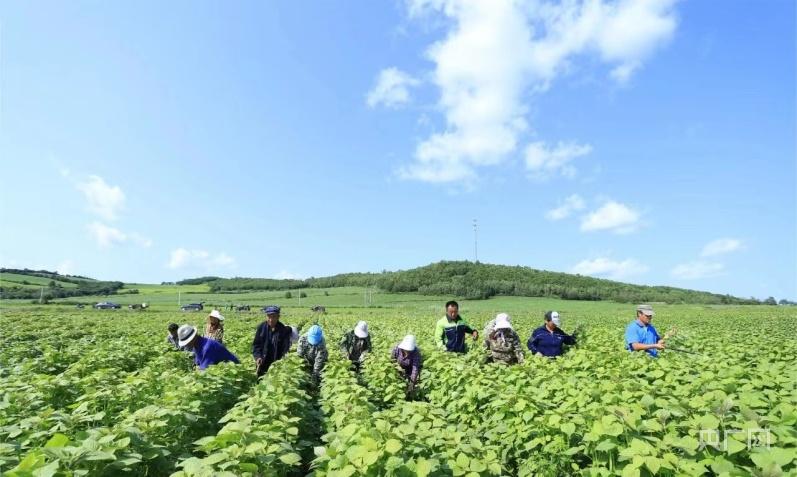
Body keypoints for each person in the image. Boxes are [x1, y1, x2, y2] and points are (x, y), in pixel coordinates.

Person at [252, 305, 293, 377]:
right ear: (266, 316)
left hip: (276, 363)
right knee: (261, 382)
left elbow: (285, 348)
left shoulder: (282, 329)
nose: (271, 319)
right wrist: (257, 357)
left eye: (274, 317)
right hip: (263, 361)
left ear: (278, 317)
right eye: (269, 317)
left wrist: (282, 361)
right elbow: (256, 345)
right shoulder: (261, 327)